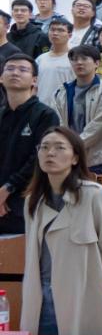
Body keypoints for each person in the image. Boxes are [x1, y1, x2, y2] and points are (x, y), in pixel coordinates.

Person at [20, 127, 102, 335]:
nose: (50, 153)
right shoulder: (32, 201)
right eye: (44, 147)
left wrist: (95, 285)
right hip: (41, 302)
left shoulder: (95, 195)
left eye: (59, 147)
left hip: (83, 298)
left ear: (75, 158)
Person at [0, 54, 61, 234]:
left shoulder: (45, 115)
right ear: (1, 77)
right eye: (10, 69)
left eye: (23, 69)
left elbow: (39, 159)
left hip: (27, 200)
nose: (15, 73)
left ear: (34, 80)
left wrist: (7, 189)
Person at [52, 45, 102, 175]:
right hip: (69, 159)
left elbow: (100, 125)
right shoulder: (61, 91)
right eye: (75, 59)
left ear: (96, 63)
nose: (79, 62)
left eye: (84, 58)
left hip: (98, 160)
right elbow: (58, 123)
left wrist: (72, 146)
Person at [35, 18, 75, 106]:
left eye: (61, 30)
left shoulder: (75, 59)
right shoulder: (40, 59)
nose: (55, 33)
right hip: (41, 107)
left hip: (65, 108)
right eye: (52, 30)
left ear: (70, 35)